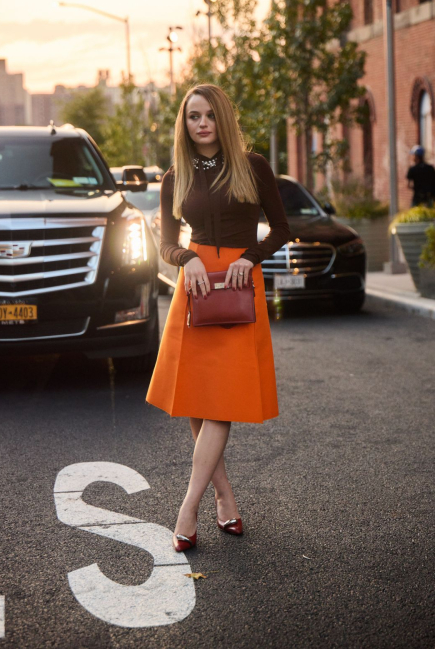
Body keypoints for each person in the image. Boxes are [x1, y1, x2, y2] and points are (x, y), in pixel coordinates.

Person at [145, 84, 290, 552]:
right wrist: (185, 258)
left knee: (222, 402)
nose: (201, 123)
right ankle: (224, 497)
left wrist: (251, 257)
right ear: (183, 124)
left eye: (208, 115)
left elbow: (283, 229)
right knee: (197, 398)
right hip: (197, 287)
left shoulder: (253, 166)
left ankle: (188, 508)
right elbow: (164, 243)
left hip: (237, 287)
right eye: (192, 116)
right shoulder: (176, 175)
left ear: (222, 117)